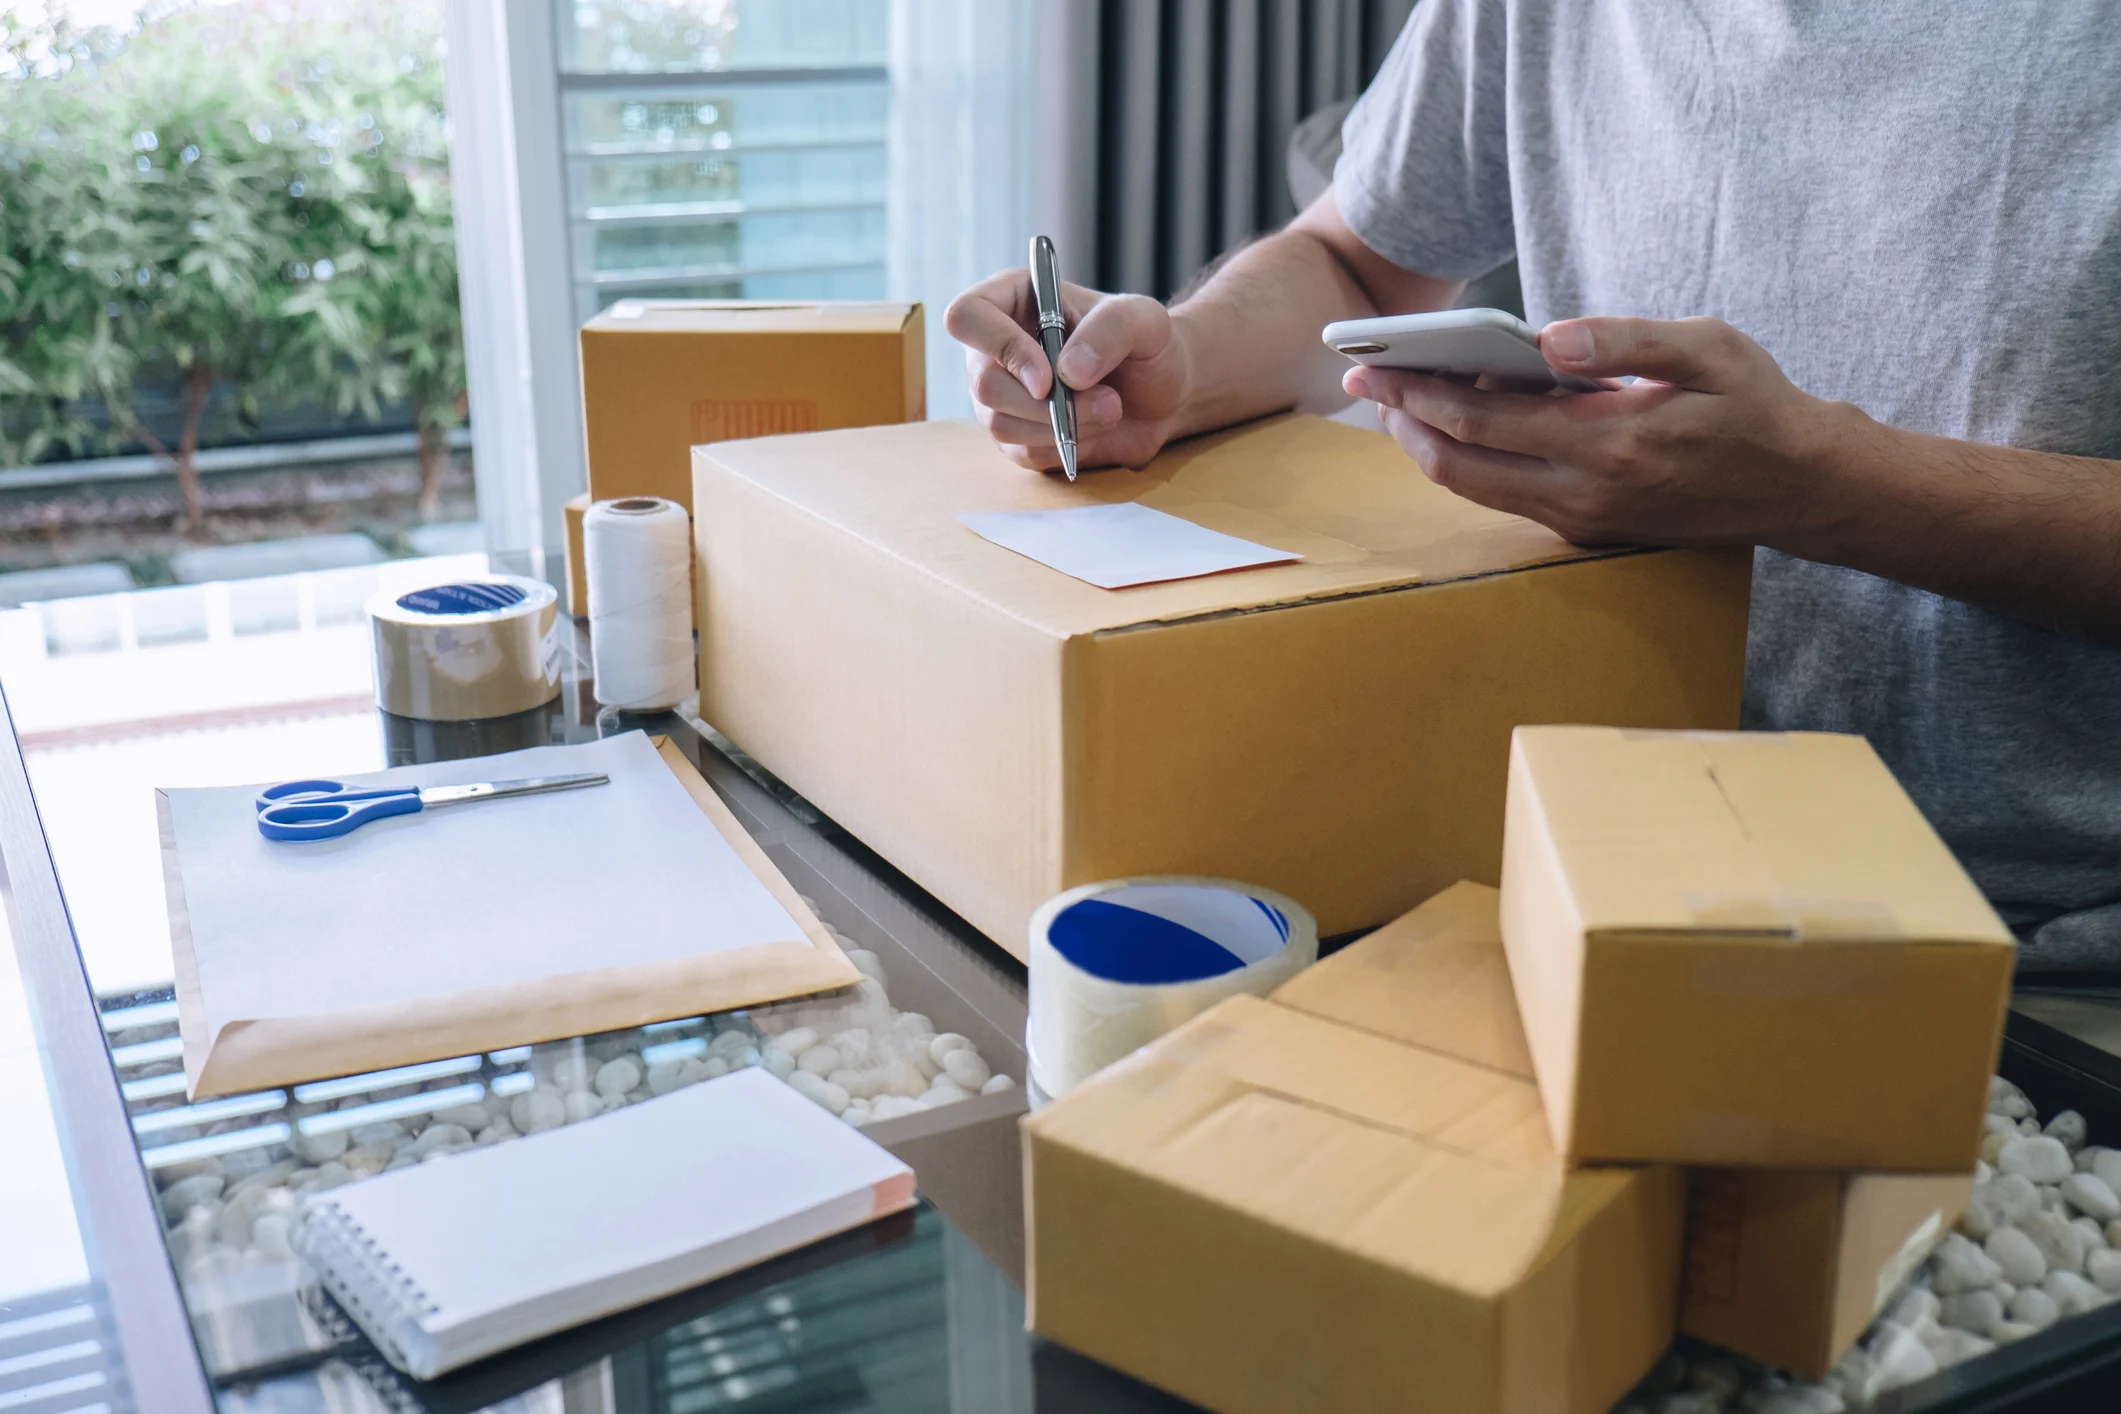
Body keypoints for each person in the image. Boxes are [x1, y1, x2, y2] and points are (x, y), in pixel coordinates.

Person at [946, 2, 2121, 971]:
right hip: (1574, 868)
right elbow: (1357, 256)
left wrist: (1822, 487)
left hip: (2033, 954)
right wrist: (1183, 365)